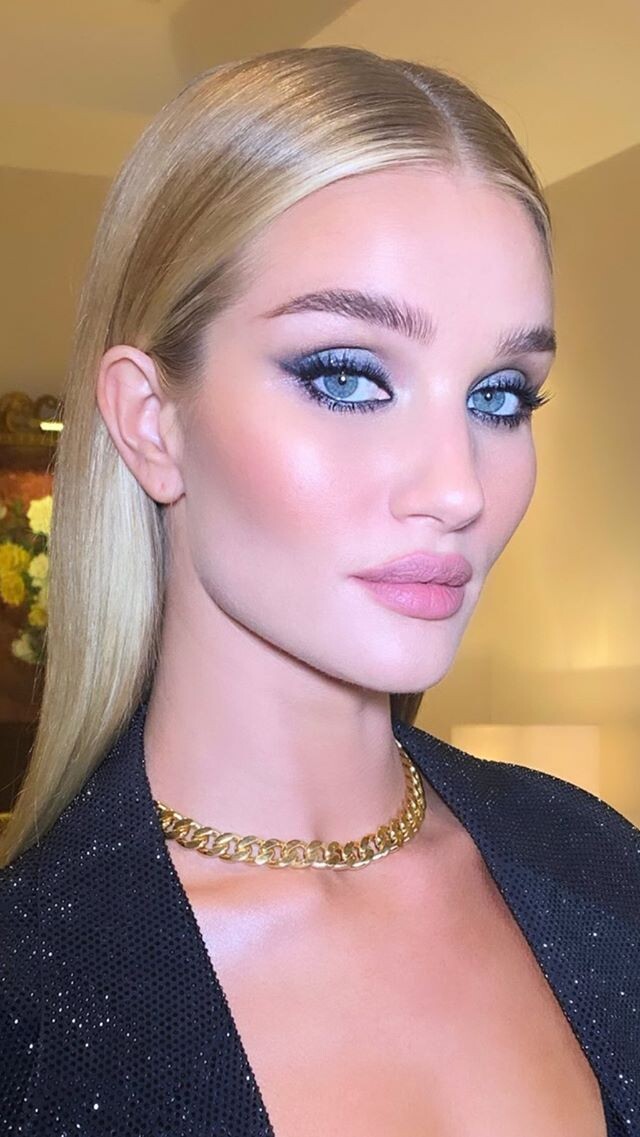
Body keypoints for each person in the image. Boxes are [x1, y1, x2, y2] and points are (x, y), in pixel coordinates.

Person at [0, 44, 637, 1137]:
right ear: (152, 422)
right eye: (346, 376)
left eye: (499, 395)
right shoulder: (35, 1003)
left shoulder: (597, 860)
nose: (456, 488)